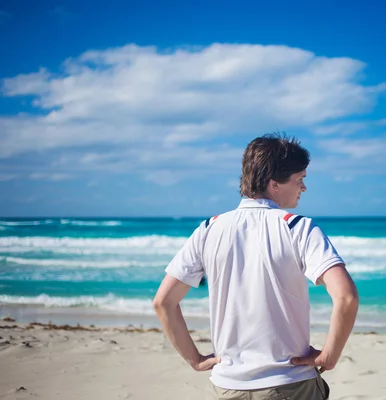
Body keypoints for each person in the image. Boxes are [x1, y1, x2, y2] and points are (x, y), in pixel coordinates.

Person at [153, 133, 359, 399]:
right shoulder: (298, 227)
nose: (303, 188)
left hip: (226, 387)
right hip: (289, 385)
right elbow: (346, 296)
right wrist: (329, 355)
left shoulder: (209, 228)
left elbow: (163, 302)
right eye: (300, 179)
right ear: (274, 184)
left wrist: (195, 360)